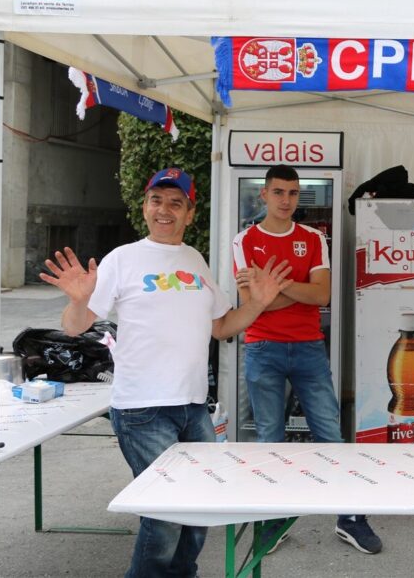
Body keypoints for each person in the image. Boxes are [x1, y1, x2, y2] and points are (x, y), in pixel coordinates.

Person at [39, 167, 292, 578]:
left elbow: (222, 326)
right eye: (156, 200)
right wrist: (79, 300)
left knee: (199, 508)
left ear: (190, 214)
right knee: (164, 517)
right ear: (144, 207)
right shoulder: (122, 259)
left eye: (176, 203)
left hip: (192, 407)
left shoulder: (194, 260)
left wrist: (258, 304)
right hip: (143, 409)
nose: (164, 210)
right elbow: (74, 326)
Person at [232, 164, 383, 555]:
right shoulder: (244, 240)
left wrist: (274, 287)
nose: (286, 200)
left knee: (330, 434)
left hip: (308, 347)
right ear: (264, 194)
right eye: (278, 192)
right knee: (270, 440)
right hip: (262, 348)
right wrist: (289, 291)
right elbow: (251, 304)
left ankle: (350, 518)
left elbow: (322, 296)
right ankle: (275, 519)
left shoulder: (313, 238)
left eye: (293, 193)